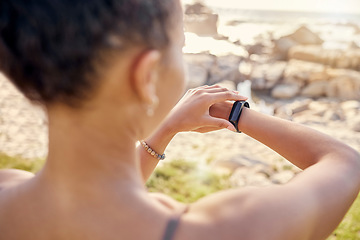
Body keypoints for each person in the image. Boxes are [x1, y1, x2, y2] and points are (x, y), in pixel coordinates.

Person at [0, 0, 359, 239]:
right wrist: (236, 114)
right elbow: (344, 162)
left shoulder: (7, 192)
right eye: (181, 45)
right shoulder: (225, 229)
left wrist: (164, 129)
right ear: (147, 75)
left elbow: (94, 198)